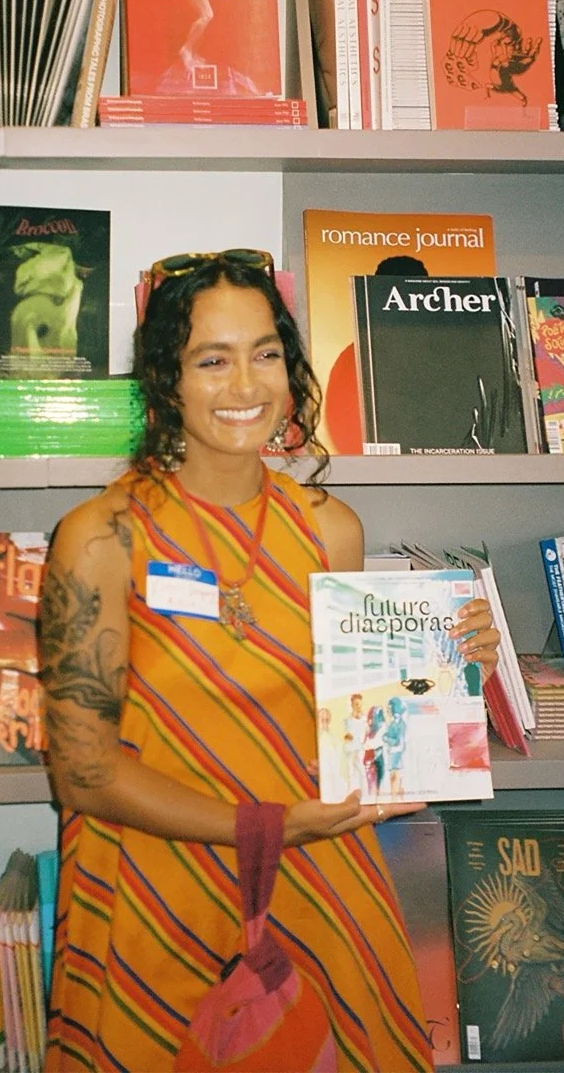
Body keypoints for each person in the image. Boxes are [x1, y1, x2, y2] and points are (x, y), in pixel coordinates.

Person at [40, 247, 501, 1072]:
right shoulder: (101, 538)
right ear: (167, 379)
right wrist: (271, 828)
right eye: (211, 360)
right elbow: (82, 775)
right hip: (158, 883)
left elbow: (368, 719)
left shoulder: (331, 527)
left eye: (265, 354)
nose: (246, 386)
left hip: (320, 874)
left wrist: (452, 665)